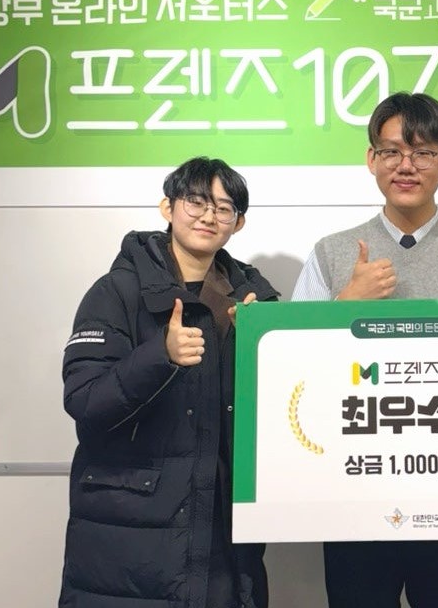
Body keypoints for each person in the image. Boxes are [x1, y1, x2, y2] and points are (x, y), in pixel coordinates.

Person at [292, 92, 438, 608]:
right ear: (371, 159)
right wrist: (346, 303)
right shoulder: (331, 252)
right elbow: (295, 369)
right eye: (391, 151)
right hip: (352, 491)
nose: (406, 166)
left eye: (422, 152)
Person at [59, 157, 279, 608]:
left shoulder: (255, 300)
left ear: (238, 223)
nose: (208, 215)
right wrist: (160, 355)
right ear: (168, 207)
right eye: (196, 201)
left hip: (222, 531)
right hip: (132, 533)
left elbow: (286, 409)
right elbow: (85, 402)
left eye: (223, 208)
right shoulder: (116, 292)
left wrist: (259, 347)